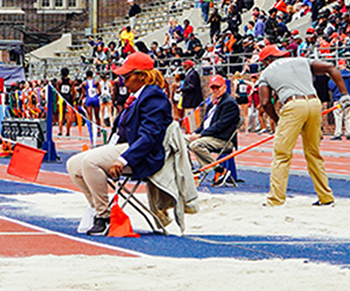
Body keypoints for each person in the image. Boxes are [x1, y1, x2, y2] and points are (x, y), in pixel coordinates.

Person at [66, 52, 171, 236]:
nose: (122, 80)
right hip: (125, 145)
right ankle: (96, 207)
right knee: (73, 164)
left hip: (143, 155)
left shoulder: (154, 97)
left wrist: (123, 160)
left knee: (90, 162)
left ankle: (104, 216)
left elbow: (149, 136)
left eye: (127, 76)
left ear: (142, 76)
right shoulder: (137, 96)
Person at [256, 44, 350, 207]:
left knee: (282, 154)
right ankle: (326, 197)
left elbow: (265, 102)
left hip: (292, 105)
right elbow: (330, 67)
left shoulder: (266, 73)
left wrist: (277, 120)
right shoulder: (302, 61)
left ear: (266, 61)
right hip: (314, 103)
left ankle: (276, 199)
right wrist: (344, 94)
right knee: (313, 152)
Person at [187, 75, 240, 184]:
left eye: (217, 87)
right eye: (213, 87)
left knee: (196, 145)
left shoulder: (229, 103)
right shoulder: (212, 103)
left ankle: (220, 170)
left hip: (222, 139)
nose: (215, 90)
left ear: (224, 88)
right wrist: (196, 132)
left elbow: (221, 126)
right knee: (180, 140)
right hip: (209, 136)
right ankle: (191, 171)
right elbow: (205, 124)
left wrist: (201, 135)